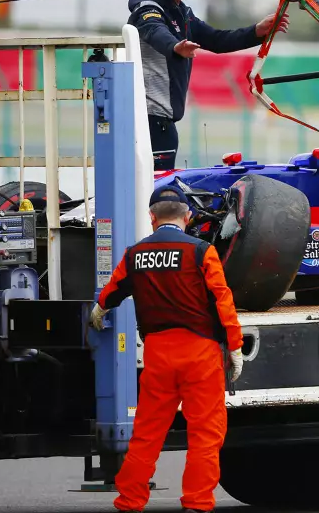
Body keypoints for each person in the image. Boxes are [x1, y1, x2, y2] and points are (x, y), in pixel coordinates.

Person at [89, 183, 245, 513]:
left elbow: (114, 289)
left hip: (158, 354)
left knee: (147, 433)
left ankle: (130, 501)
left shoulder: (136, 254)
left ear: (151, 218)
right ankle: (197, 504)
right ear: (187, 216)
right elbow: (222, 300)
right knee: (205, 432)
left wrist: (100, 309)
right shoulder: (202, 251)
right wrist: (234, 346)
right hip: (200, 355)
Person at [128, 0, 290, 170]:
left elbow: (216, 40)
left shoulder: (181, 11)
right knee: (154, 191)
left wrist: (256, 31)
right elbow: (154, 29)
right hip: (149, 121)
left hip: (160, 123)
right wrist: (174, 46)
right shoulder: (147, 7)